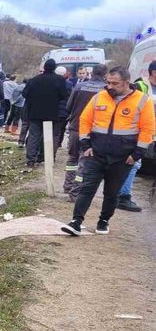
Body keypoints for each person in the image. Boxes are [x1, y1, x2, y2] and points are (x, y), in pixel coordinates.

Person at [61, 66, 154, 236]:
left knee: (111, 193)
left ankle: (103, 221)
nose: (110, 86)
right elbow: (85, 120)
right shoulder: (99, 97)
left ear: (126, 82)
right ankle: (76, 222)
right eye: (108, 82)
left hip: (123, 157)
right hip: (96, 153)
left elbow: (148, 129)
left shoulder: (142, 100)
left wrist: (137, 154)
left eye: (115, 83)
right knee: (87, 188)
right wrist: (86, 145)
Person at [63, 64, 108, 201]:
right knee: (84, 162)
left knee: (72, 158)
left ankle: (67, 185)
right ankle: (75, 192)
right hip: (92, 131)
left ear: (91, 73)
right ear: (105, 75)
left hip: (75, 127)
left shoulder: (79, 86)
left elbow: (68, 106)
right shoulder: (106, 91)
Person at [118, 60, 156, 212]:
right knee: (134, 163)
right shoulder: (140, 86)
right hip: (137, 131)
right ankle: (123, 196)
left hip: (150, 131)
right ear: (154, 72)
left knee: (135, 163)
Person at [22, 59, 68, 167]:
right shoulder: (60, 80)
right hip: (52, 112)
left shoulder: (34, 80)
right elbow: (64, 95)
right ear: (54, 68)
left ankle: (30, 159)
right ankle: (45, 157)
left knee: (34, 135)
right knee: (49, 136)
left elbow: (25, 94)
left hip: (35, 112)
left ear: (44, 68)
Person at [55, 66, 73, 149]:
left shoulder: (52, 82)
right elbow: (70, 98)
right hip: (64, 110)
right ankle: (58, 143)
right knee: (61, 129)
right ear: (65, 74)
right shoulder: (69, 84)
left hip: (53, 110)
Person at [17, 78, 30, 147]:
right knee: (33, 127)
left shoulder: (28, 89)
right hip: (34, 110)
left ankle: (21, 141)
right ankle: (28, 142)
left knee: (25, 125)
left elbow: (23, 94)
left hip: (27, 109)